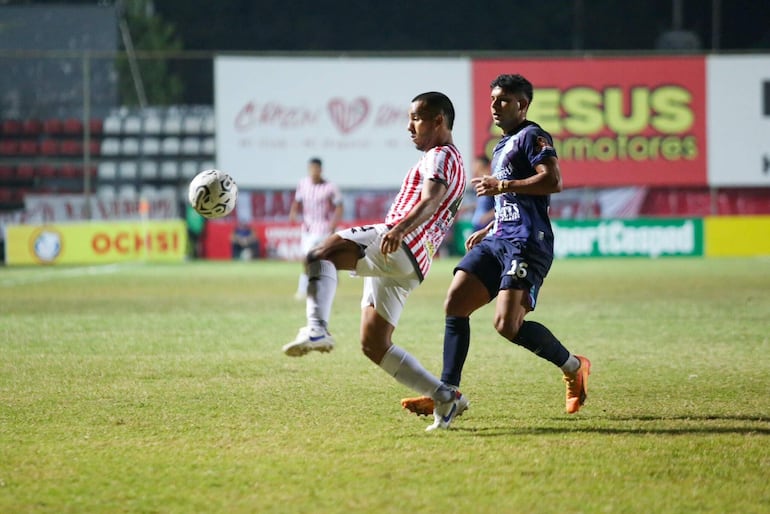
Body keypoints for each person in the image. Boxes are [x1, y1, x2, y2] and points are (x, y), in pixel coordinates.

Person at [401, 74, 591, 421]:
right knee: (455, 303)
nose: (494, 105)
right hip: (498, 237)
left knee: (507, 325)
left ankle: (574, 367)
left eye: (503, 99)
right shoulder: (501, 146)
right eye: (492, 99)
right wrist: (490, 225)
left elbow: (553, 180)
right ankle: (447, 394)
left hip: (526, 242)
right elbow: (516, 198)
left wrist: (502, 183)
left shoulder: (533, 136)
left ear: (523, 104)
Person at [282, 91, 468, 431]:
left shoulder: (440, 155)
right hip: (413, 263)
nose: (409, 126)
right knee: (374, 344)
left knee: (319, 253)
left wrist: (400, 228)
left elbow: (432, 197)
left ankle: (316, 329)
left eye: (416, 118)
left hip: (400, 243)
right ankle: (444, 396)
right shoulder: (452, 159)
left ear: (438, 121)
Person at [288, 157, 343, 300]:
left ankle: (330, 284)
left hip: (324, 228)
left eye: (316, 169)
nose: (314, 172)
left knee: (326, 259)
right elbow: (297, 201)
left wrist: (333, 223)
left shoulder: (330, 187)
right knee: (306, 259)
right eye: (311, 169)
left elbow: (339, 205)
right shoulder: (303, 184)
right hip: (308, 228)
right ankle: (302, 289)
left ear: (320, 170)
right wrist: (293, 213)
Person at [469, 155, 495, 232]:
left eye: (476, 164)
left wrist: (487, 216)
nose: (473, 167)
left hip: (487, 228)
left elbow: (502, 203)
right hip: (477, 226)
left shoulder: (492, 183)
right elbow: (483, 204)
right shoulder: (479, 183)